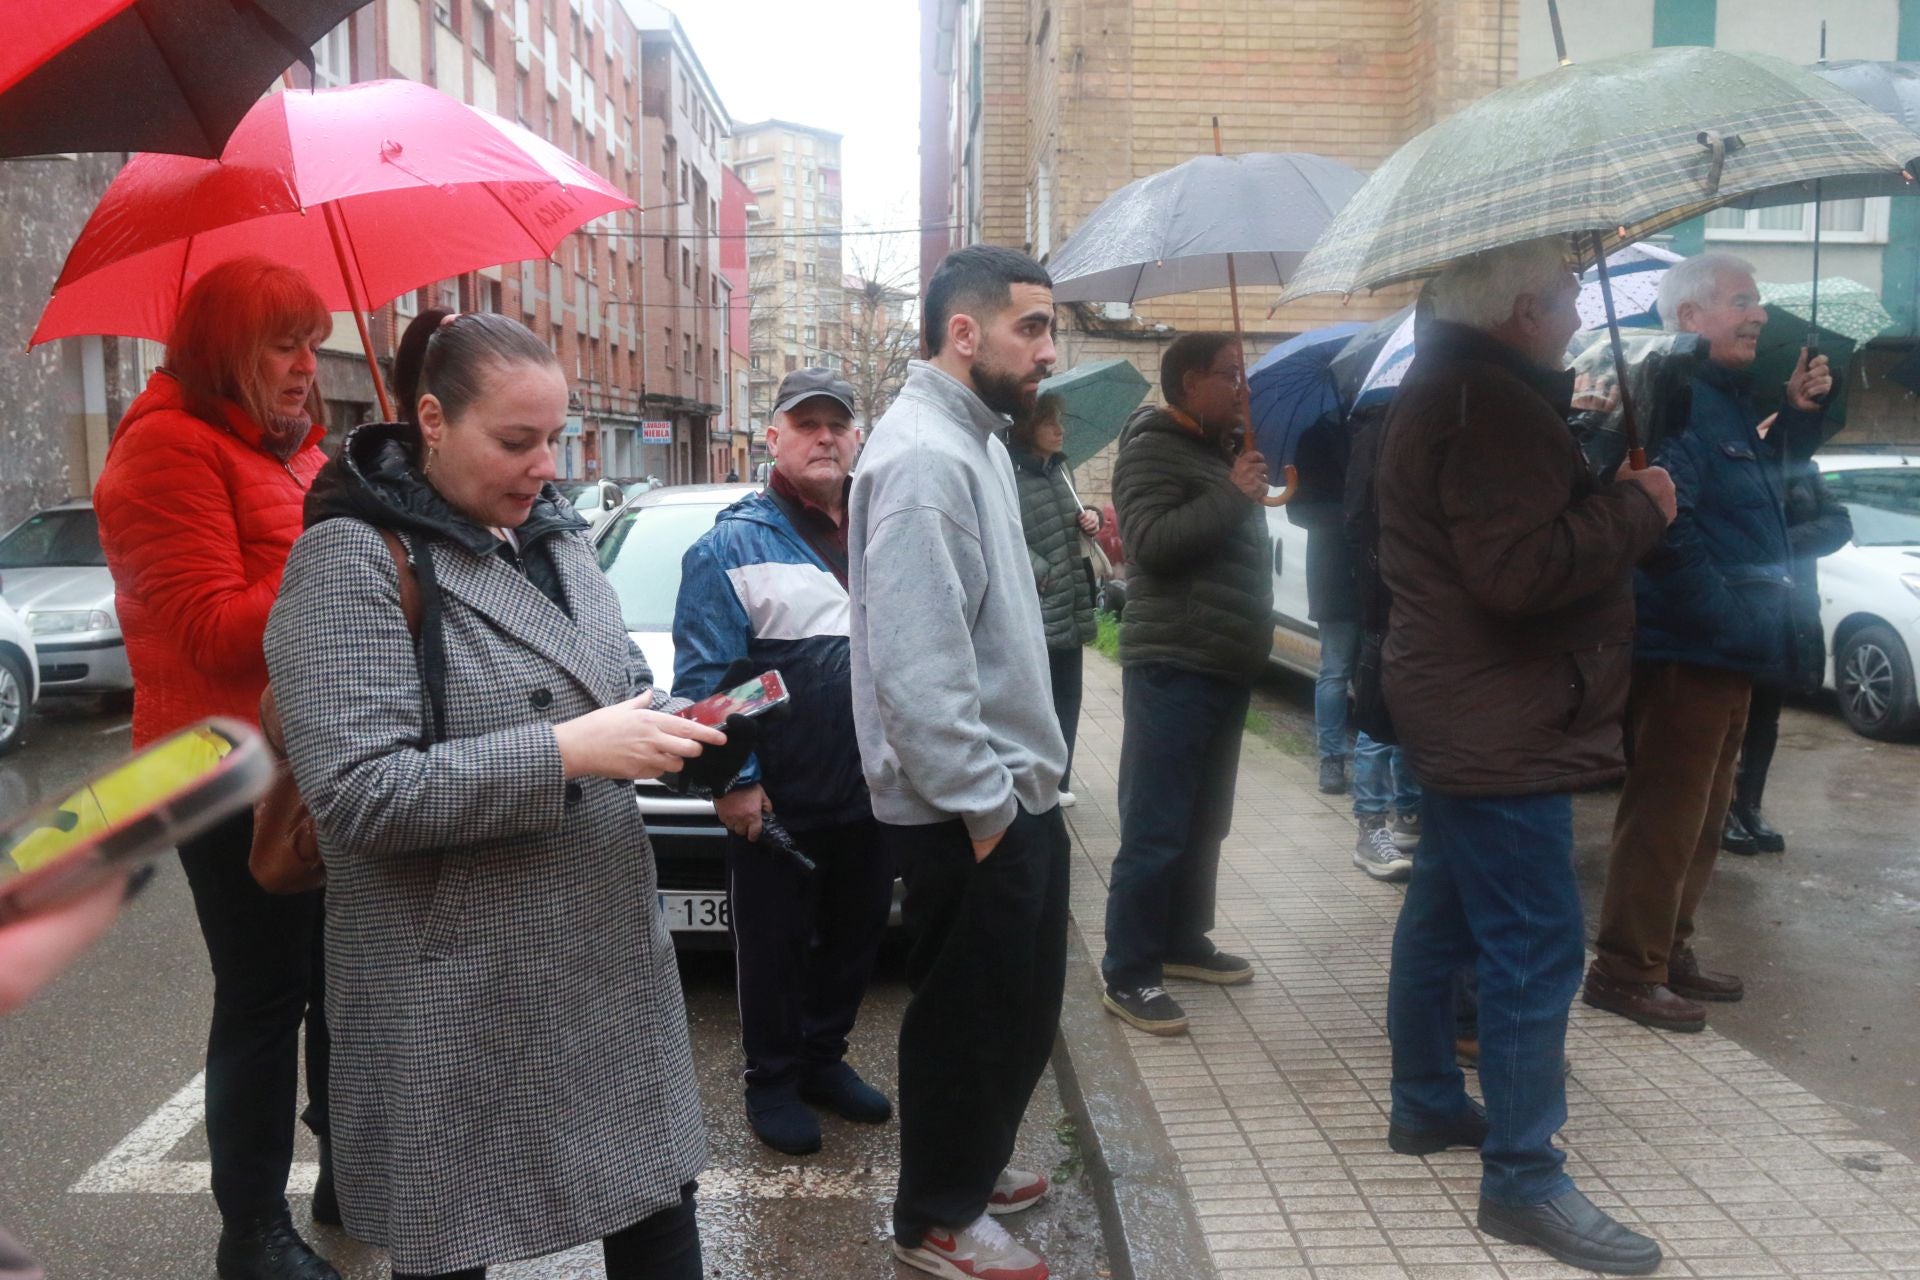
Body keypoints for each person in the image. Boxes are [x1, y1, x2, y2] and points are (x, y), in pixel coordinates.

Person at [263, 309, 734, 1280]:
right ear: (431, 420)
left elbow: (604, 687)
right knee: (451, 1243)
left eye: (554, 437)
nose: (545, 465)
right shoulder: (351, 559)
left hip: (604, 957)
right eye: (516, 440)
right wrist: (567, 749)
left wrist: (671, 728)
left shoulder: (558, 540)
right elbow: (357, 794)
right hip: (455, 974)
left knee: (658, 1211)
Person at [1376, 238, 1674, 1275]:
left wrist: (1597, 478)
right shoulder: (1488, 404)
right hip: (1502, 714)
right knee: (1537, 945)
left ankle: (1424, 1103)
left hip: (1465, 703)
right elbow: (1517, 571)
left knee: (1447, 910)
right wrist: (1638, 505)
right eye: (1562, 296)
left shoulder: (1459, 385)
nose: (1575, 312)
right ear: (1516, 311)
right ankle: (1524, 1177)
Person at [91, 257, 339, 1280]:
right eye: (284, 342)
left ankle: (353, 1171)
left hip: (312, 752)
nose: (305, 365)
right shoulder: (163, 452)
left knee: (340, 981)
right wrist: (334, 544)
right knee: (264, 991)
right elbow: (210, 631)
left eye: (312, 341)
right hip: (222, 767)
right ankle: (252, 1232)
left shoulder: (294, 452)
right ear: (225, 348)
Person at [851, 245, 1067, 1280]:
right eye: (1033, 327)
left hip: (1012, 789)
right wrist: (985, 808)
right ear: (964, 333)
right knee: (966, 1022)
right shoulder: (926, 458)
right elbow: (918, 667)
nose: (1049, 350)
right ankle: (938, 1218)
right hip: (970, 805)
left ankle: (971, 1169)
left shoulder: (976, 439)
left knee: (1016, 1007)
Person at [1585, 252, 1831, 1033]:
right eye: (1741, 300)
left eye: (1756, 300)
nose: (1758, 313)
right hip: (1690, 647)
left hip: (1729, 651)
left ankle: (1669, 949)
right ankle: (1626, 967)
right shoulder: (1676, 399)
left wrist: (1791, 418)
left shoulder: (1724, 400)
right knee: (1665, 814)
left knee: (1703, 814)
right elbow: (1668, 526)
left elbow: (1758, 504)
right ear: (1690, 317)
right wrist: (1721, 616)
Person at [673, 367, 895, 1157]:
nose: (825, 436)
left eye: (837, 423)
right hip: (777, 798)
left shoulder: (882, 530)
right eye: (806, 424)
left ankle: (822, 1060)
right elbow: (707, 689)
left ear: (858, 437)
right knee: (770, 948)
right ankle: (771, 1080)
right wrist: (735, 782)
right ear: (773, 438)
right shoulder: (730, 544)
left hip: (873, 788)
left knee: (855, 936)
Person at [1098, 333, 1269, 1037]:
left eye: (1242, 373)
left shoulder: (1217, 448)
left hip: (1222, 661)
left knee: (1206, 819)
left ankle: (1181, 939)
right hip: (1173, 661)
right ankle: (1129, 972)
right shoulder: (1150, 448)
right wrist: (1232, 495)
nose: (1241, 386)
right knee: (1157, 826)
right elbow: (1153, 545)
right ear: (1189, 381)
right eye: (1229, 374)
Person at [1290, 410, 1422, 880]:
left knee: (1403, 703)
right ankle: (1337, 769)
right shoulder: (1324, 434)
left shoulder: (1402, 427)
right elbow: (1300, 507)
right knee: (1344, 677)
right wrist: (1350, 512)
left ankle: (1407, 813)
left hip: (1392, 583)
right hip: (1343, 578)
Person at [1723, 444, 1852, 854]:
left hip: (1790, 609)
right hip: (1739, 604)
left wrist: (1776, 542)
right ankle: (1721, 809)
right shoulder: (1729, 464)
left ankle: (1750, 806)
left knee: (1766, 715)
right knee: (1728, 715)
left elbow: (1839, 525)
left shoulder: (1803, 468)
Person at [1008, 392, 1102, 807]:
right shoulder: (1009, 473)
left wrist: (1091, 518)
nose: (1060, 430)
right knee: (1038, 702)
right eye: (1050, 422)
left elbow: (1075, 522)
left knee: (1069, 696)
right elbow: (1001, 534)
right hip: (1039, 603)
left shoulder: (1063, 472)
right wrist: (1038, 571)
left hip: (1072, 600)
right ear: (1029, 428)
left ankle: (1059, 782)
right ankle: (1036, 781)